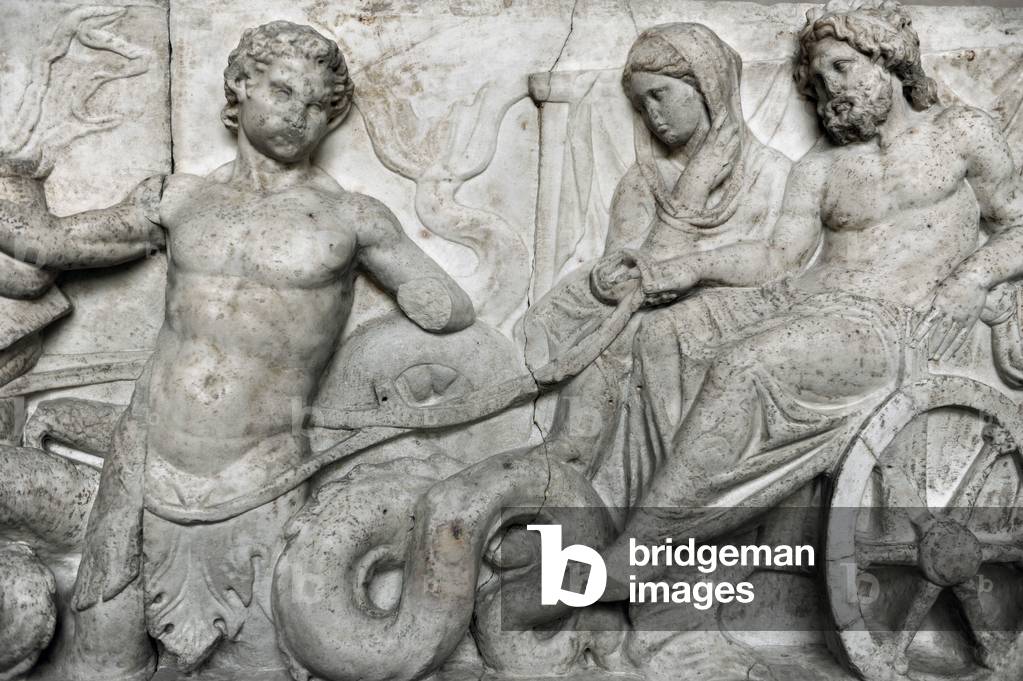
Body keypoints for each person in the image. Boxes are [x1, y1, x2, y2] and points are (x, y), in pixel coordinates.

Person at [0, 20, 474, 680]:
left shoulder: (353, 218)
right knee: (100, 665)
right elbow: (47, 245)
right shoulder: (178, 198)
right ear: (238, 90)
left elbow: (447, 302)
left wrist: (428, 297)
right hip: (142, 467)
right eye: (282, 91)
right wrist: (12, 172)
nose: (298, 115)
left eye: (316, 105)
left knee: (255, 667)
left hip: (256, 475)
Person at [595, 0, 1023, 596]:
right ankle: (688, 529)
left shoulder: (961, 133)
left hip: (888, 323)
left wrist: (971, 279)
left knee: (744, 367)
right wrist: (687, 268)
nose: (831, 90)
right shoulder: (821, 167)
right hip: (801, 301)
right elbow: (777, 259)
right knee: (664, 335)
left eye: (843, 67)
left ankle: (637, 554)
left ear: (888, 60)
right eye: (820, 81)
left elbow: (1017, 224)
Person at [523, 23, 791, 505]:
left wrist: (694, 267)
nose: (653, 115)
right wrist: (609, 276)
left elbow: (779, 263)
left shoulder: (771, 172)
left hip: (740, 317)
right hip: (645, 314)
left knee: (660, 335)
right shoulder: (645, 178)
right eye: (642, 105)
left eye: (661, 95)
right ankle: (576, 465)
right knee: (586, 334)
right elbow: (632, 268)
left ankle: (683, 498)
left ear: (706, 87)